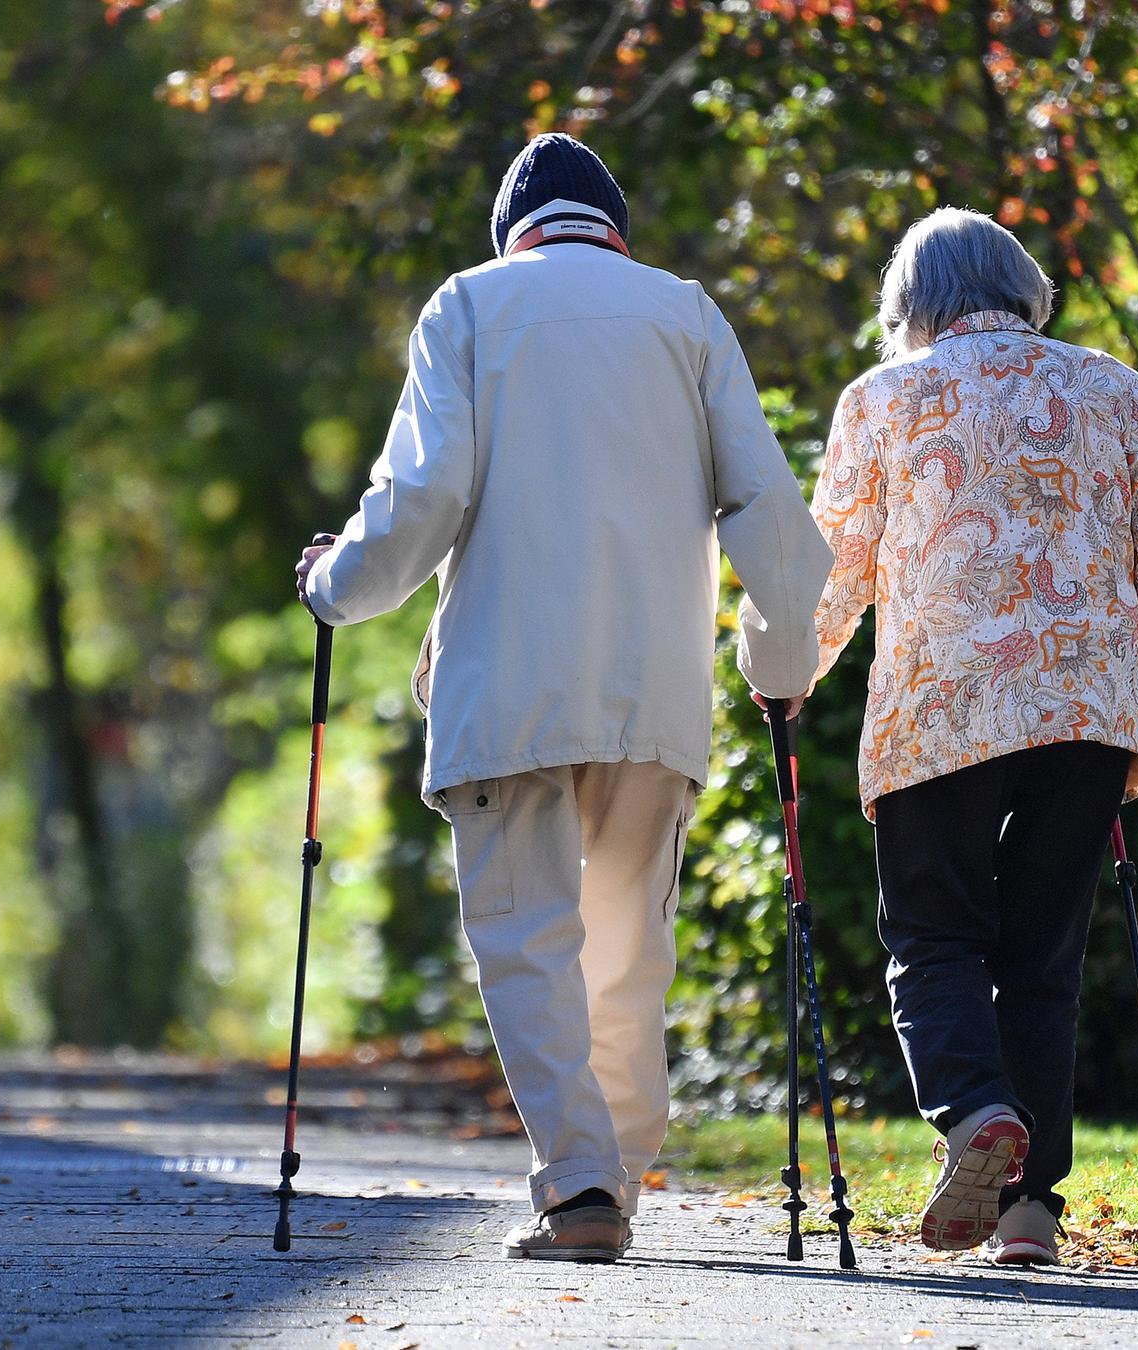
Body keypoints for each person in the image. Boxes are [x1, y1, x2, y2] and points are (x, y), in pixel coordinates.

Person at [294, 134, 833, 1263]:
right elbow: (773, 518)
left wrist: (334, 587)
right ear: (616, 230)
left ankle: (583, 1184)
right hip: (655, 688)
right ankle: (615, 1171)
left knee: (527, 942)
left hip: (509, 688)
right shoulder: (684, 313)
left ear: (513, 236)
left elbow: (422, 495)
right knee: (629, 944)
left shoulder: (470, 308)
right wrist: (780, 665)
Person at [801, 207, 1138, 1266]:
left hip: (941, 706)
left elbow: (833, 573)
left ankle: (978, 1112)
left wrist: (789, 678)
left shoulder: (882, 398)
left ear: (909, 309)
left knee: (932, 935)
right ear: (1025, 290)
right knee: (1042, 954)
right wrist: (1107, 656)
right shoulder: (1108, 384)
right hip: (1088, 714)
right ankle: (1031, 1212)